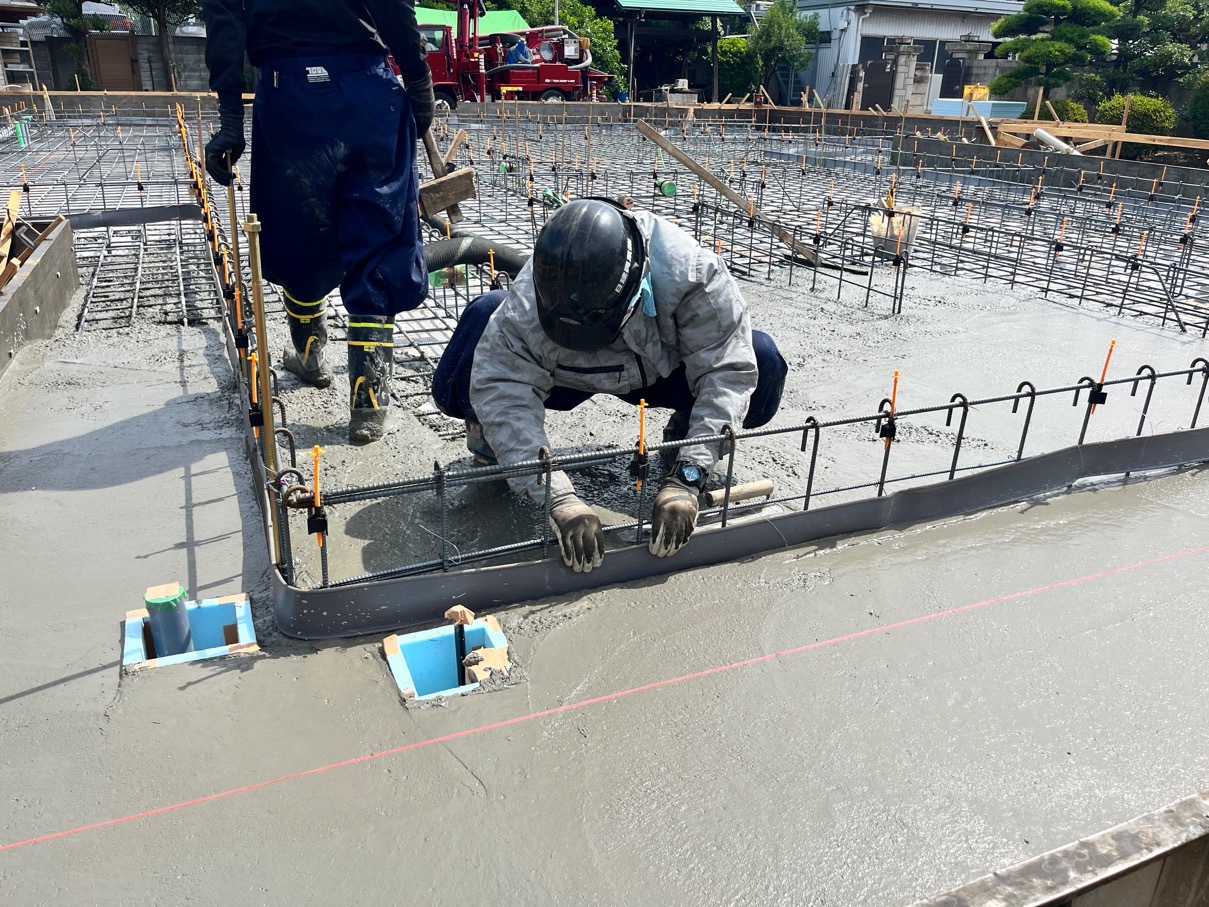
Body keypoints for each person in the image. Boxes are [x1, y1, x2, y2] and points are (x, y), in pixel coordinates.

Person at [432, 198, 787, 572]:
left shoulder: (691, 274)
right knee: (484, 316)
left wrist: (690, 476)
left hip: (659, 369)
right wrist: (557, 496)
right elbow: (502, 383)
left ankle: (686, 433)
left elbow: (726, 372)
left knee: (761, 357)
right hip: (567, 376)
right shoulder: (529, 299)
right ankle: (492, 443)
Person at [201, 0, 436, 444]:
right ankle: (369, 404)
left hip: (287, 96)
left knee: (299, 231)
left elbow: (225, 19)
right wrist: (418, 80)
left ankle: (310, 358)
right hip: (366, 90)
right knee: (379, 239)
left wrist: (231, 117)